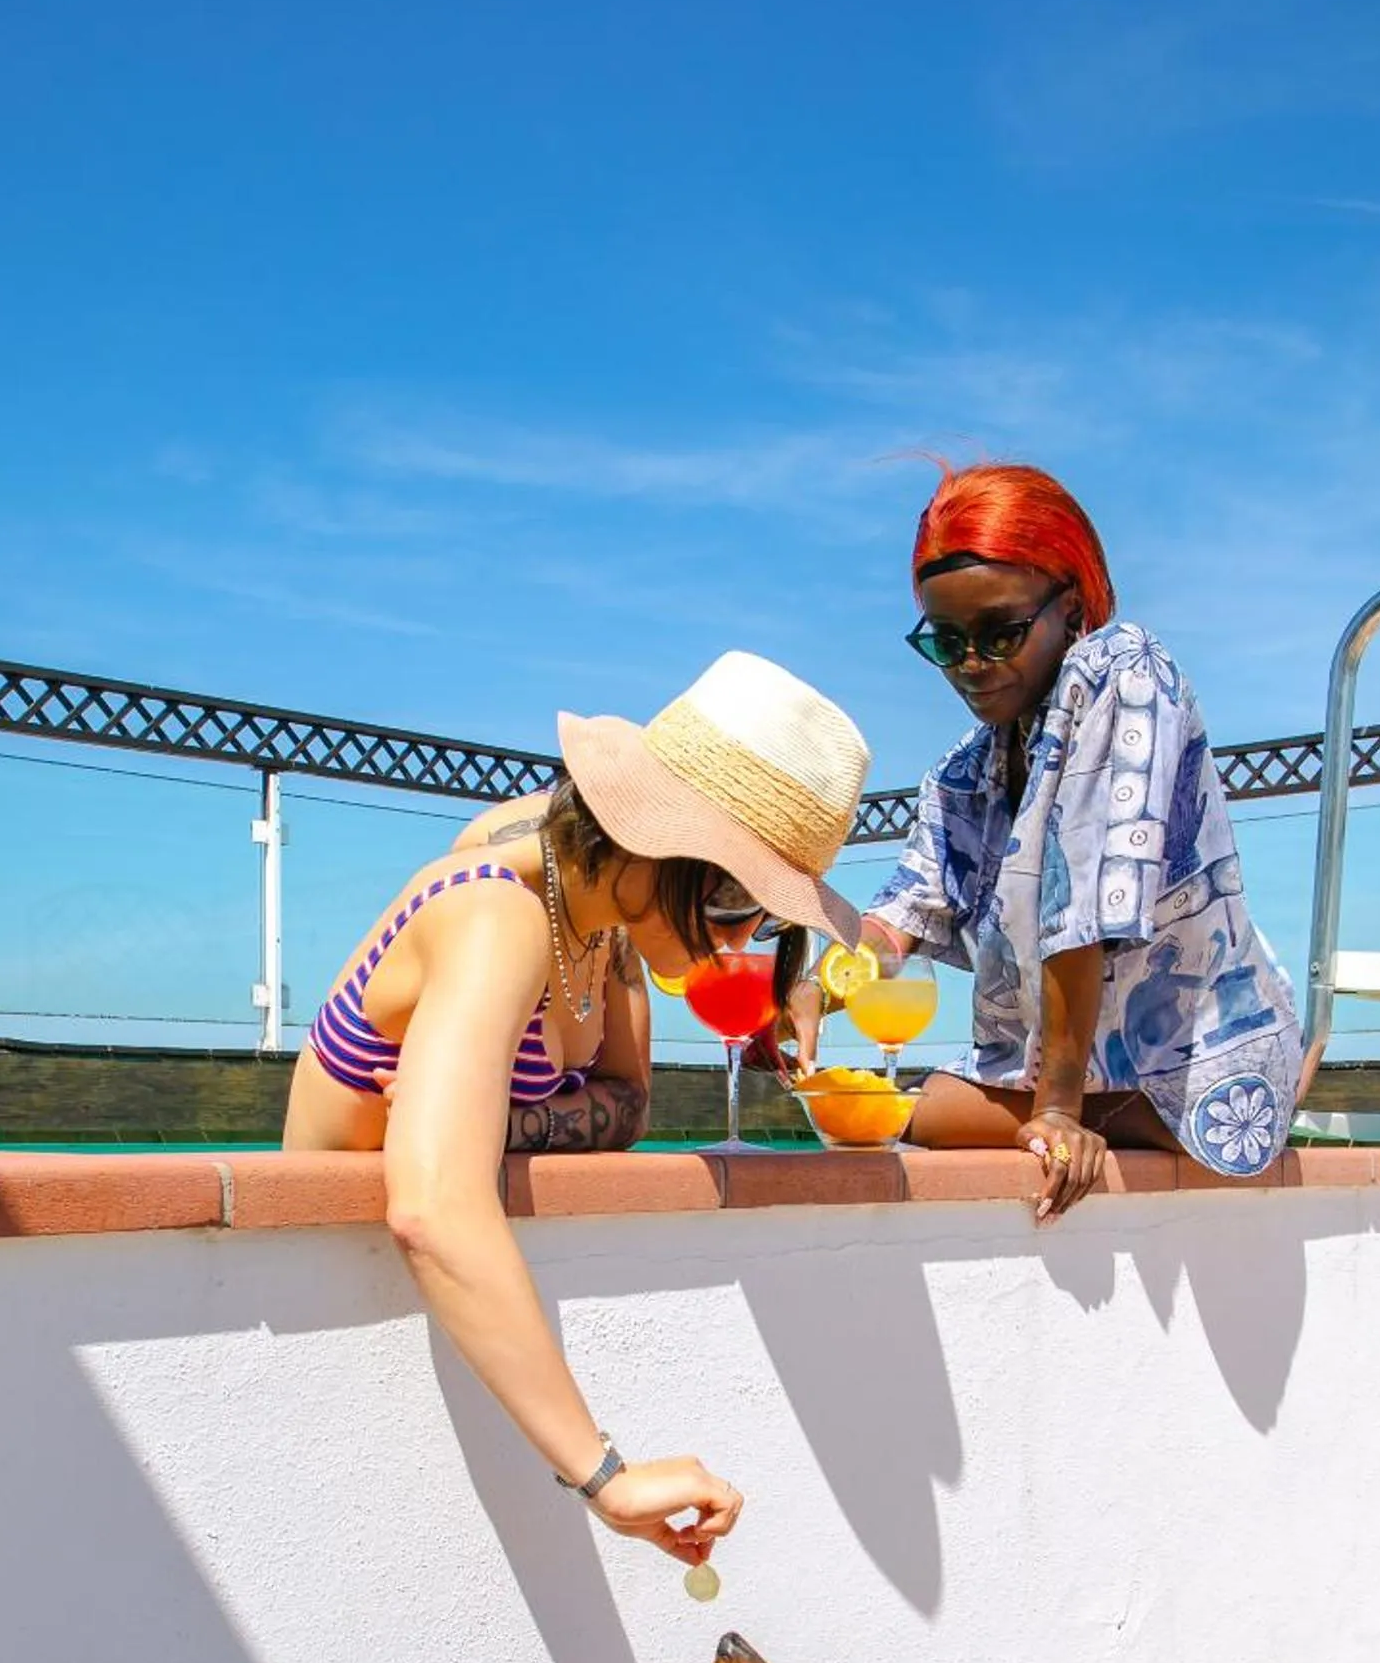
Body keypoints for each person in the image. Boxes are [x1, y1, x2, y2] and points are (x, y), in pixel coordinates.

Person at [284, 651, 870, 1563]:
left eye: (765, 912)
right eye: (733, 895)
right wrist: (607, 1477)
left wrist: (504, 1122)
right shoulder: (495, 914)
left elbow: (627, 1106)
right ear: (651, 836)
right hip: (324, 1349)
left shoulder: (597, 931)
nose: (744, 939)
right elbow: (434, 1210)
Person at [795, 464, 1300, 1217]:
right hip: (1066, 1079)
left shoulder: (1123, 669)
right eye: (948, 641)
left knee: (920, 1110)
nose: (972, 663)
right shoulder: (964, 774)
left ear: (1069, 606)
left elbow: (1084, 898)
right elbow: (903, 915)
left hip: (1195, 1068)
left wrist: (1059, 1111)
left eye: (1000, 633)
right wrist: (815, 989)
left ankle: (1198, 1101)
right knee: (911, 1108)